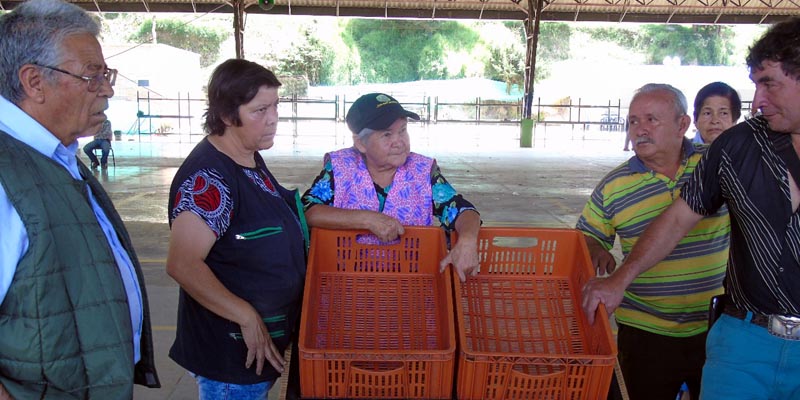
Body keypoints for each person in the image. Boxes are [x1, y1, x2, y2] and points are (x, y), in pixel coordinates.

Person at [582, 18, 800, 399]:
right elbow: (678, 218)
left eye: (769, 83)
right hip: (729, 334)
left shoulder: (705, 156)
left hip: (704, 320)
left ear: (683, 124)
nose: (757, 101)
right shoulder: (735, 150)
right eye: (633, 121)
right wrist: (616, 276)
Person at [0, 0, 160, 398]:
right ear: (34, 82)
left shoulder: (56, 155)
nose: (106, 89)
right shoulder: (6, 174)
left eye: (106, 74)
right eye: (92, 76)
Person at [576, 83, 729, 400]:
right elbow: (585, 235)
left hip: (717, 326)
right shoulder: (614, 185)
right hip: (646, 330)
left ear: (682, 125)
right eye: (633, 121)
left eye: (650, 120)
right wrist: (595, 249)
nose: (639, 130)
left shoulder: (715, 165)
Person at [166, 58, 307, 400]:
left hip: (256, 356)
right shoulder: (210, 178)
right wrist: (245, 315)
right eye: (260, 110)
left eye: (275, 105)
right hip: (230, 358)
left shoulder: (248, 157)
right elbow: (183, 264)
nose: (273, 118)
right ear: (228, 116)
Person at [301, 93, 481, 281]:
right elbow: (307, 210)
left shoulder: (422, 172)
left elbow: (462, 210)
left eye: (403, 130)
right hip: (346, 285)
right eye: (387, 134)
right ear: (361, 143)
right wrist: (368, 220)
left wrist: (468, 241)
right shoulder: (340, 168)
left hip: (410, 286)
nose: (399, 141)